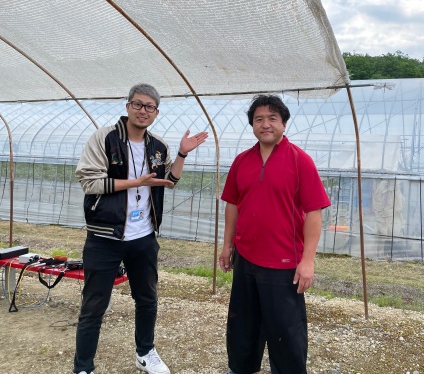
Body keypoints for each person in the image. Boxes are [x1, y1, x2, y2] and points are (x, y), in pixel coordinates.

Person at [73, 83, 208, 374]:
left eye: (149, 106)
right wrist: (137, 182)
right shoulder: (105, 138)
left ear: (156, 112)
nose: (143, 110)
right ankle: (83, 366)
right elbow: (89, 182)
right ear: (128, 106)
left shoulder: (157, 146)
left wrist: (182, 154)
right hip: (105, 237)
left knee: (147, 299)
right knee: (94, 305)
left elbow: (169, 181)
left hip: (144, 236)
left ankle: (145, 353)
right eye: (137, 104)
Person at [218, 94, 331, 374]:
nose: (265, 124)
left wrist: (308, 261)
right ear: (252, 125)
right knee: (243, 323)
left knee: (286, 330)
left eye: (272, 118)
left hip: (283, 262)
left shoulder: (300, 161)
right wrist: (227, 245)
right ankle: (242, 368)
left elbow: (314, 212)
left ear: (283, 123)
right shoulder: (242, 161)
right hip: (246, 257)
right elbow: (233, 204)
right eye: (259, 119)